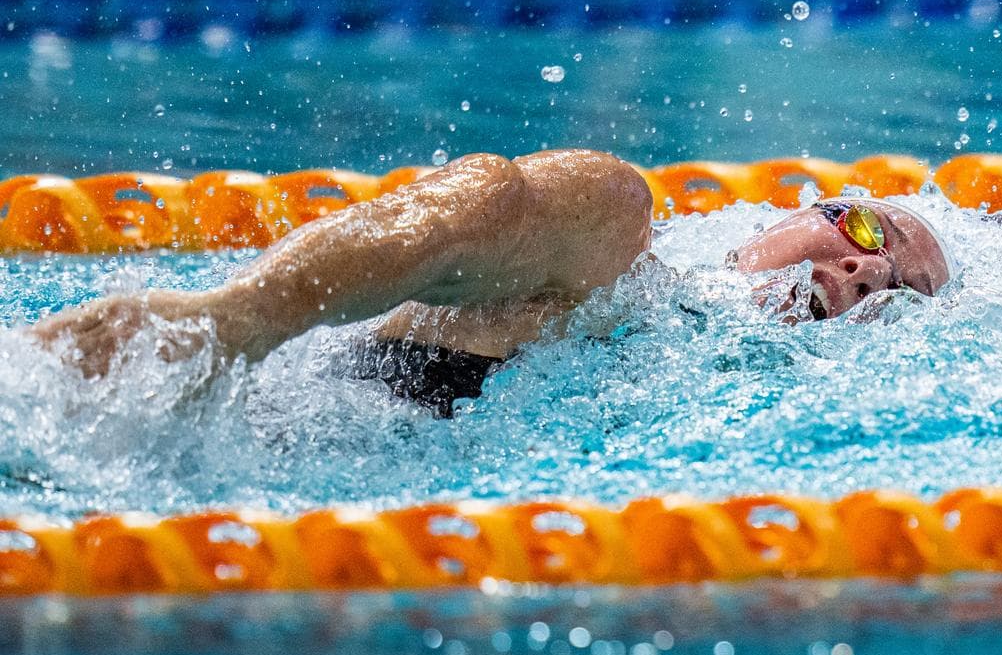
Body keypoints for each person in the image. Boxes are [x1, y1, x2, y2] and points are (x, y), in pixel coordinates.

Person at [29, 149, 954, 415]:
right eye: (868, 229)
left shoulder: (767, 420)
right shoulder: (632, 266)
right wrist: (240, 324)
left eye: (895, 291)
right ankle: (229, 324)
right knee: (609, 192)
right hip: (248, 409)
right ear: (798, 212)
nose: (869, 268)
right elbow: (497, 198)